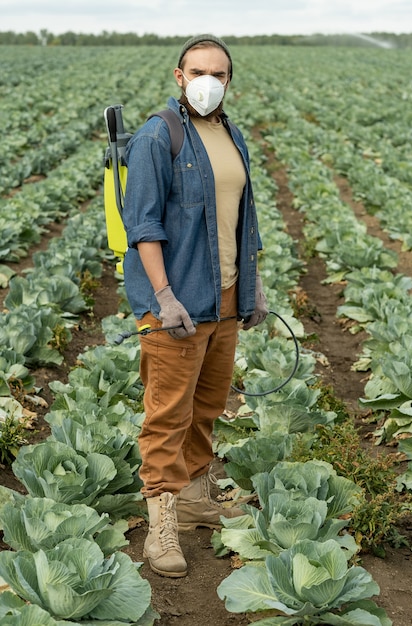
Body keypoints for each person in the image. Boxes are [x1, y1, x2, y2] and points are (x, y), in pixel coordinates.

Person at [122, 34, 268, 578]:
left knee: (207, 406)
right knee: (167, 415)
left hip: (225, 296)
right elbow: (143, 226)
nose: (209, 81)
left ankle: (195, 499)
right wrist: (163, 296)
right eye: (198, 71)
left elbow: (241, 217)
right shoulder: (158, 137)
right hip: (177, 302)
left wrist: (253, 286)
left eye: (220, 73)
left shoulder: (232, 135)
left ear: (230, 80)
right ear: (179, 77)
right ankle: (161, 522)